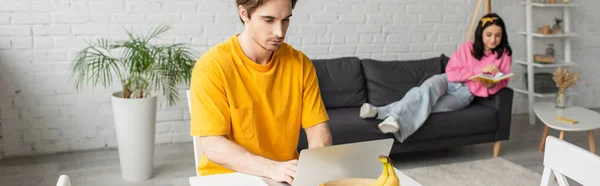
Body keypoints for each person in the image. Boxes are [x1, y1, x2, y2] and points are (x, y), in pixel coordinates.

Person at [189, 0, 332, 184]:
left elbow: (318, 128)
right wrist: (272, 169)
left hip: (283, 176)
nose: (280, 32)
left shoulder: (300, 64)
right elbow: (213, 145)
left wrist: (314, 167)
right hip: (229, 177)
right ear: (243, 14)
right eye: (268, 20)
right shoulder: (212, 66)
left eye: (286, 20)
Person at [359, 13, 513, 143]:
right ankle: (392, 118)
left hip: (464, 94)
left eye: (498, 35)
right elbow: (452, 73)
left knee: (431, 106)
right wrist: (479, 71)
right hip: (447, 81)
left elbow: (504, 80)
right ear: (481, 33)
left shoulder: (504, 54)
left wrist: (492, 85)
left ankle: (380, 112)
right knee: (424, 92)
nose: (493, 40)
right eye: (489, 35)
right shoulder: (467, 48)